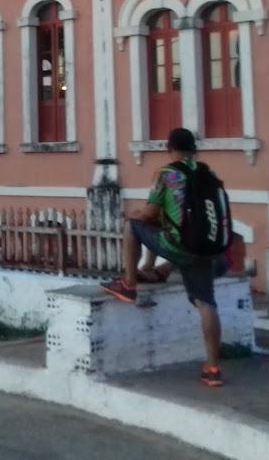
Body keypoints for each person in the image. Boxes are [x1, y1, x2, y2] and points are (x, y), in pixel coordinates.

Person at [99, 127, 227, 387]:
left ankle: (129, 285)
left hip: (179, 247)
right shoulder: (208, 173)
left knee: (133, 227)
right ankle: (213, 369)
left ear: (169, 149)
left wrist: (133, 214)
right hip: (206, 249)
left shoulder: (167, 174)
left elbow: (150, 214)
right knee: (206, 304)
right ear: (194, 149)